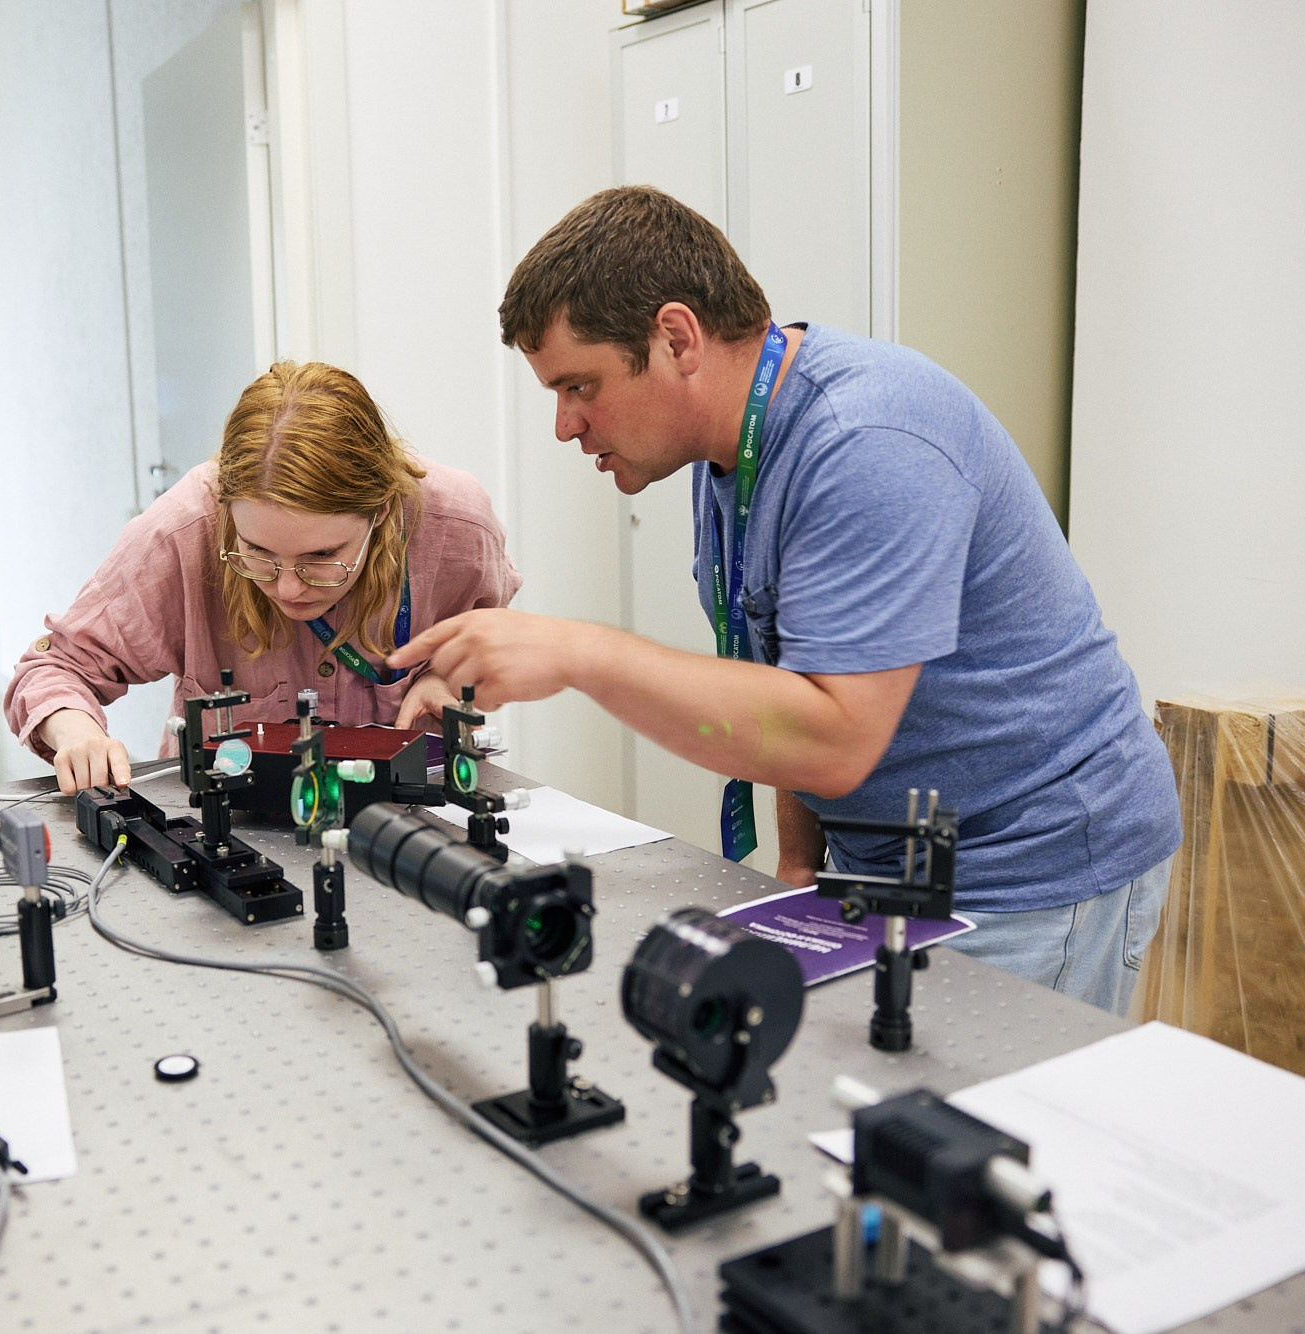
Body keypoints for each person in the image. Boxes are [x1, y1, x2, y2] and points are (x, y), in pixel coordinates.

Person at [391, 186, 1180, 1016]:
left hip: (1031, 870)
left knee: (977, 1126)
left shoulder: (865, 441)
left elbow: (835, 736)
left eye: (580, 386)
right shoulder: (729, 454)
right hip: (880, 861)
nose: (565, 425)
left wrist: (583, 654)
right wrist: (800, 868)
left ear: (675, 337)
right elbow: (782, 669)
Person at [6, 360, 521, 796]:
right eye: (258, 553)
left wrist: (442, 676)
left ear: (382, 510)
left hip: (408, 819)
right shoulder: (184, 531)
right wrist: (77, 735)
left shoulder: (457, 525)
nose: (290, 588)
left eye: (322, 556)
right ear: (228, 512)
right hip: (228, 827)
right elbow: (53, 668)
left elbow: (487, 640)